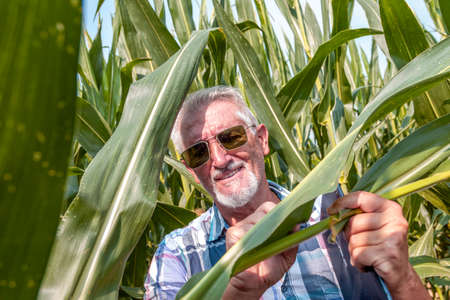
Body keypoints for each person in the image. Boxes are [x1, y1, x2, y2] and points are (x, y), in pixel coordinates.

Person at [144, 86, 429, 299]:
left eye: (231, 137)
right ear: (191, 170)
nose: (219, 159)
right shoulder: (177, 254)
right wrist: (239, 291)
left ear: (262, 140)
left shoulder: (337, 217)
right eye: (198, 153)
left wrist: (403, 277)